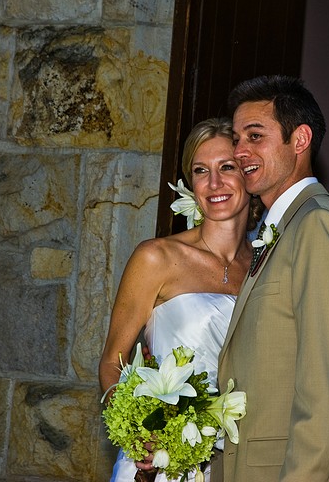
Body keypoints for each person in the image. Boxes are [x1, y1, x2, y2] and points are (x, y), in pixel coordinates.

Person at [217, 75, 329, 481]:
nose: (239, 151)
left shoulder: (318, 226)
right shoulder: (284, 227)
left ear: (300, 139)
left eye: (255, 136)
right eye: (237, 139)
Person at [100, 118, 260, 482]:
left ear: (249, 175)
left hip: (239, 462)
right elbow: (112, 362)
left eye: (227, 167)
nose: (214, 183)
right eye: (201, 171)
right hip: (161, 461)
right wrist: (140, 434)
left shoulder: (266, 268)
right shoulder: (156, 257)